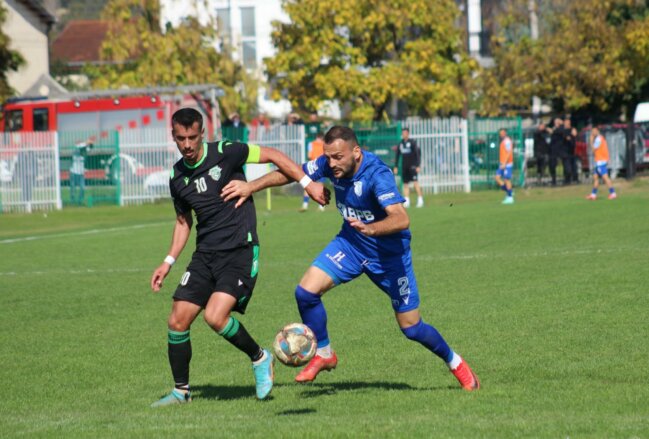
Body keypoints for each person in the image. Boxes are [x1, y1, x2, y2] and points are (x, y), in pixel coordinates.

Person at [221, 126, 480, 392]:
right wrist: (251, 186)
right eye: (328, 157)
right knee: (305, 292)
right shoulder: (330, 163)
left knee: (411, 327)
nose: (331, 163)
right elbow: (291, 172)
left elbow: (401, 218)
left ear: (356, 152)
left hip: (389, 257)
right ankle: (324, 353)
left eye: (338, 157)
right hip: (351, 244)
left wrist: (372, 229)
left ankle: (455, 362)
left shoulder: (377, 175)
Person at [149, 108, 328, 407]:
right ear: (173, 137)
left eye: (192, 137)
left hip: (239, 250)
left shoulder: (226, 152)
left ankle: (259, 358)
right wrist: (168, 262)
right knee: (177, 320)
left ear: (202, 133)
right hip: (205, 254)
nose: (187, 145)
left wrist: (307, 185)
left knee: (215, 316)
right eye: (181, 139)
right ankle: (181, 392)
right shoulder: (176, 176)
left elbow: (272, 155)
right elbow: (183, 222)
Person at [393, 127, 423, 208]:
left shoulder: (412, 142)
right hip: (404, 167)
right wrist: (396, 166)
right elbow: (397, 155)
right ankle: (407, 201)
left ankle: (420, 200)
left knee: (415, 183)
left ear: (408, 134)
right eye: (403, 133)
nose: (404, 135)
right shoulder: (401, 144)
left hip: (412, 166)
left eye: (405, 133)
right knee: (405, 184)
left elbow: (418, 154)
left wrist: (418, 165)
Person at [586, 127, 617, 200]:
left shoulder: (598, 139)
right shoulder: (600, 138)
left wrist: (591, 141)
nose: (593, 133)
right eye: (592, 132)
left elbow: (593, 149)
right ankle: (593, 195)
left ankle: (613, 193)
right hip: (599, 161)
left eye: (594, 131)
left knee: (605, 178)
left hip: (601, 162)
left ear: (598, 131)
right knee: (595, 178)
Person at [300, 132, 326, 212]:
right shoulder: (324, 145)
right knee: (321, 186)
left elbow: (309, 155)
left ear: (316, 137)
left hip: (312, 167)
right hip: (322, 167)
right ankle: (321, 206)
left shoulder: (311, 144)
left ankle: (305, 205)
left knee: (307, 185)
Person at [494, 128, 514, 204]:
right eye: (500, 133)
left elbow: (509, 153)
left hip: (507, 164)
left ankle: (510, 197)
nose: (501, 134)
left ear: (505, 133)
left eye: (502, 133)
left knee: (506, 179)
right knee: (497, 178)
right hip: (502, 163)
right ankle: (509, 192)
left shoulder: (507, 141)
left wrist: (505, 163)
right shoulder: (503, 141)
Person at [70, 141, 91, 205]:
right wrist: (85, 144)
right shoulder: (76, 153)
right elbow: (80, 148)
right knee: (73, 188)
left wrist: (89, 143)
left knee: (82, 187)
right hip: (74, 173)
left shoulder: (84, 153)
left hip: (81, 174)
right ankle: (72, 201)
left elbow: (90, 147)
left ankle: (80, 200)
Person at [549, 117, 564, 186]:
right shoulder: (553, 128)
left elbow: (560, 131)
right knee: (552, 165)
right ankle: (553, 180)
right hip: (553, 149)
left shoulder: (561, 128)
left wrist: (562, 124)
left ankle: (567, 179)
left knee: (565, 163)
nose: (556, 123)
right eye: (555, 122)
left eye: (557, 122)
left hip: (561, 149)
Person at [564, 119, 578, 183]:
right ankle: (567, 179)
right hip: (566, 151)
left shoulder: (572, 129)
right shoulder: (564, 131)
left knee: (574, 166)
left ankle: (575, 179)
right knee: (567, 167)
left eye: (567, 123)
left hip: (572, 150)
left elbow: (575, 134)